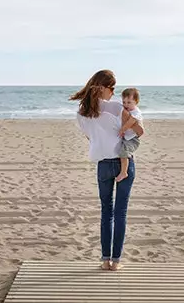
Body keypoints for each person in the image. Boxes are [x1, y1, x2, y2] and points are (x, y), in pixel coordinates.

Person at [70, 70, 144, 271]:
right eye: (112, 88)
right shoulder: (116, 107)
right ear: (103, 87)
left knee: (106, 212)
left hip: (103, 164)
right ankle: (116, 261)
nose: (113, 93)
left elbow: (91, 138)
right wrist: (125, 127)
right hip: (123, 162)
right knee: (120, 213)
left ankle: (105, 260)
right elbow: (139, 131)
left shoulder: (82, 112)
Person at [116, 88, 143, 183]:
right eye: (124, 102)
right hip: (127, 137)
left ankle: (124, 172)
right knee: (121, 151)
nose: (126, 105)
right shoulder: (126, 109)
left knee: (124, 153)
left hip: (133, 139)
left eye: (129, 102)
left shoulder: (136, 112)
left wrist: (122, 130)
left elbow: (130, 122)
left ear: (136, 102)